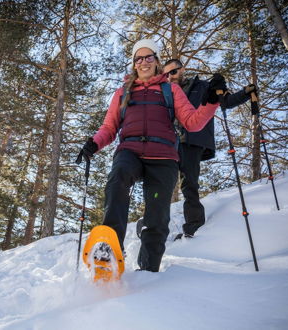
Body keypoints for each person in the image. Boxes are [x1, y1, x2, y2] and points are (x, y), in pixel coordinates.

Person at [76, 40, 225, 272]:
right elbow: (109, 127)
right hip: (130, 150)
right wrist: (93, 145)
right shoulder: (122, 93)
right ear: (134, 64)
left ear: (156, 61)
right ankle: (111, 246)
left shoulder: (171, 90)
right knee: (118, 178)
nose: (143, 62)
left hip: (163, 156)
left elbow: (193, 123)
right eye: (139, 58)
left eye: (148, 57)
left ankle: (149, 270)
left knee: (157, 215)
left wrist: (211, 102)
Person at [161, 59, 257, 240]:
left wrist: (245, 93)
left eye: (172, 72)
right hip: (169, 142)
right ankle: (154, 226)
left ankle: (194, 227)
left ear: (183, 70)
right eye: (165, 75)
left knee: (189, 183)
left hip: (192, 140)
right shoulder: (166, 92)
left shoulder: (203, 86)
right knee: (161, 183)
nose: (169, 77)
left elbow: (225, 101)